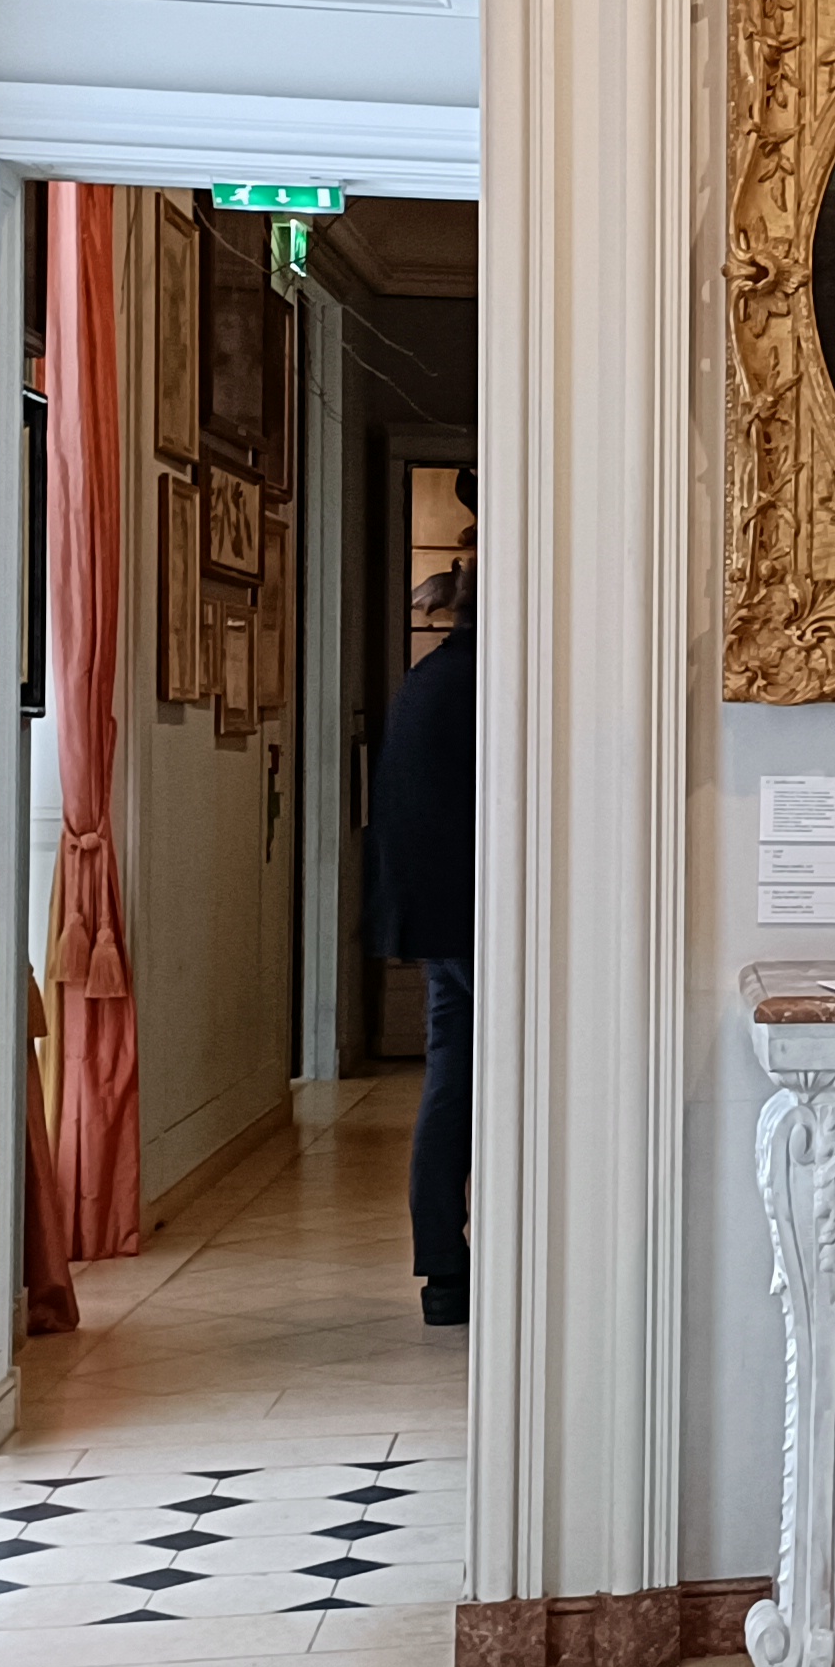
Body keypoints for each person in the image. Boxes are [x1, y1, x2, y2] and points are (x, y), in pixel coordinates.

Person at [369, 562, 477, 1326]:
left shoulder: (432, 676)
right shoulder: (479, 682)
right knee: (507, 1082)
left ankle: (444, 1267)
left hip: (439, 915)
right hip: (474, 917)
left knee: (453, 1082)